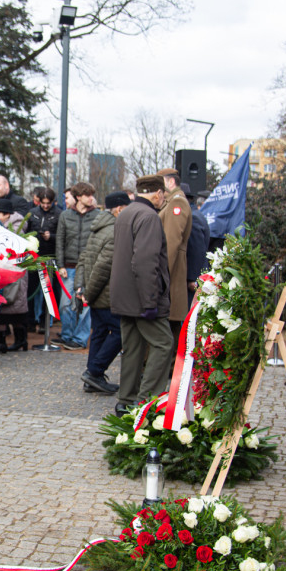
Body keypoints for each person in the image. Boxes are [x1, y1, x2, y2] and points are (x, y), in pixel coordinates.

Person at [111, 175, 174, 415]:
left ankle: (126, 400)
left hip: (125, 296)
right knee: (163, 344)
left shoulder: (126, 213)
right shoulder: (149, 216)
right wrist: (150, 301)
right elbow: (145, 262)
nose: (163, 200)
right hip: (142, 297)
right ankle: (147, 402)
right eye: (163, 196)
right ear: (158, 194)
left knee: (133, 347)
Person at [78, 191, 131, 394]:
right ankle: (94, 371)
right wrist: (89, 293)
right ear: (119, 209)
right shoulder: (115, 230)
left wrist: (84, 289)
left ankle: (93, 378)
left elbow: (85, 258)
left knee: (99, 332)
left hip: (96, 293)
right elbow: (102, 268)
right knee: (120, 332)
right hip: (106, 293)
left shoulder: (98, 227)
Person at [56, 182, 98, 350]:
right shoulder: (66, 216)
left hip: (89, 266)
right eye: (88, 195)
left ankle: (80, 338)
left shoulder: (97, 216)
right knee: (66, 303)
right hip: (69, 266)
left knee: (85, 305)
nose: (92, 198)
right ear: (79, 197)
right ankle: (67, 335)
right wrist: (60, 264)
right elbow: (60, 241)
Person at [155, 168, 192, 340]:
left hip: (171, 275)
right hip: (170, 275)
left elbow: (171, 243)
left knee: (169, 329)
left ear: (170, 182)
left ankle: (168, 367)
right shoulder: (170, 202)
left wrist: (160, 276)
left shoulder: (177, 203)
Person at [0, 198, 29, 353]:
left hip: (13, 272)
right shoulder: (6, 225)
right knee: (8, 309)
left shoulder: (14, 227)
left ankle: (17, 341)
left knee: (12, 308)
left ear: (5, 214)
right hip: (8, 272)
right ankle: (12, 341)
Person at [26, 187, 60, 329]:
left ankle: (44, 321)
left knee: (49, 291)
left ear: (53, 202)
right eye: (43, 203)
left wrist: (50, 237)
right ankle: (30, 320)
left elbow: (62, 235)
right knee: (31, 290)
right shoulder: (32, 213)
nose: (45, 205)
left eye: (48, 203)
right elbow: (26, 231)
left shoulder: (59, 214)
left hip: (50, 256)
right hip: (34, 256)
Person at [184, 183, 210, 306]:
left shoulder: (193, 217)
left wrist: (192, 279)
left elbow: (196, 250)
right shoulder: (195, 215)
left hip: (193, 279)